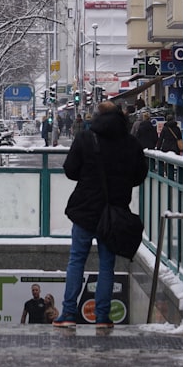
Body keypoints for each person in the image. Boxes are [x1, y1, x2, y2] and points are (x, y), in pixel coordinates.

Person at [53, 101, 148, 329]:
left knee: (77, 260)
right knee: (107, 265)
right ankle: (103, 318)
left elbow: (70, 170)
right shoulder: (131, 143)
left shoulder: (86, 138)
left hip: (86, 210)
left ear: (96, 116)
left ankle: (67, 314)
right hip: (114, 213)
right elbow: (139, 175)